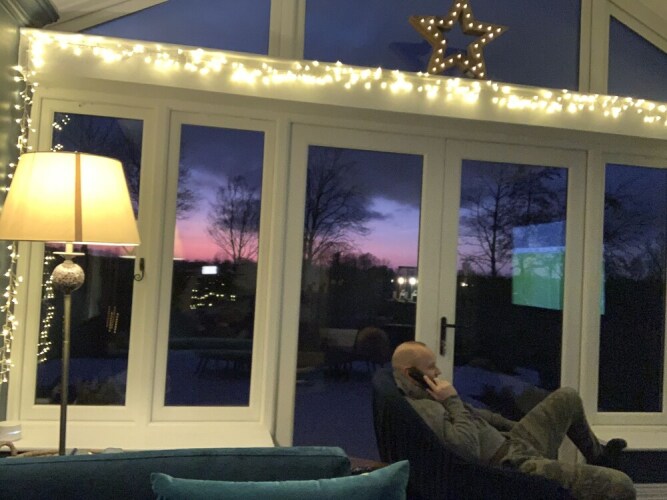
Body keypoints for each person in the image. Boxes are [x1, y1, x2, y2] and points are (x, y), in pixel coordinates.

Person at [392, 341, 636, 500]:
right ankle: (604, 473)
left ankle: (599, 457)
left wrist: (518, 429)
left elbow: (478, 416)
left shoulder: (428, 394)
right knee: (621, 485)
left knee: (567, 397)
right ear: (410, 374)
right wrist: (452, 400)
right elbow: (466, 449)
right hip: (511, 466)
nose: (437, 372)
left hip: (513, 442)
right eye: (431, 367)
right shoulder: (423, 409)